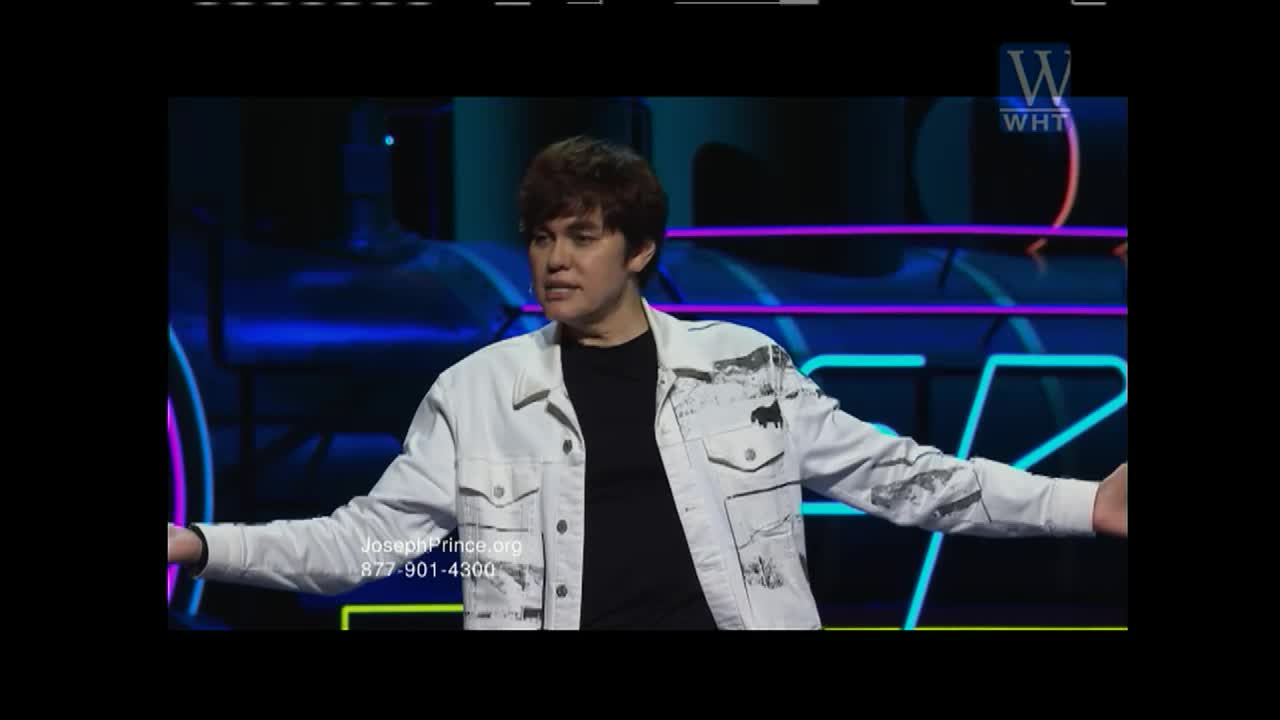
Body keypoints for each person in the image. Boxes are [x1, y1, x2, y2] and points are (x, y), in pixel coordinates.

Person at [168, 135, 1128, 630]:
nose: (554, 258)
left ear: (640, 251)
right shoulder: (476, 393)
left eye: (582, 237)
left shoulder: (743, 368)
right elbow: (366, 545)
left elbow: (900, 478)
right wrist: (199, 544)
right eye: (541, 237)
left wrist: (1084, 503)